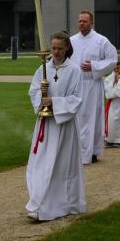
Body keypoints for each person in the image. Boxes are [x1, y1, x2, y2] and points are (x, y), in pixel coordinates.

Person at [26, 31, 86, 221]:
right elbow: (33, 91)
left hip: (63, 126)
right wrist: (41, 94)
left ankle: (63, 204)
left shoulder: (74, 71)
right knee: (40, 164)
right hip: (45, 124)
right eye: (53, 48)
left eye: (60, 48)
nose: (56, 52)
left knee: (60, 165)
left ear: (67, 47)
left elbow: (76, 99)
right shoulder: (43, 69)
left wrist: (54, 101)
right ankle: (39, 201)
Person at [70, 11, 118, 164]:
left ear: (91, 23)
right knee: (78, 118)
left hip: (92, 84)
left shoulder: (101, 41)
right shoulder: (71, 41)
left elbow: (113, 60)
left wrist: (94, 66)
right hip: (76, 85)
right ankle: (78, 151)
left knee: (92, 119)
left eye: (84, 21)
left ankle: (91, 152)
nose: (81, 24)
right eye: (79, 21)